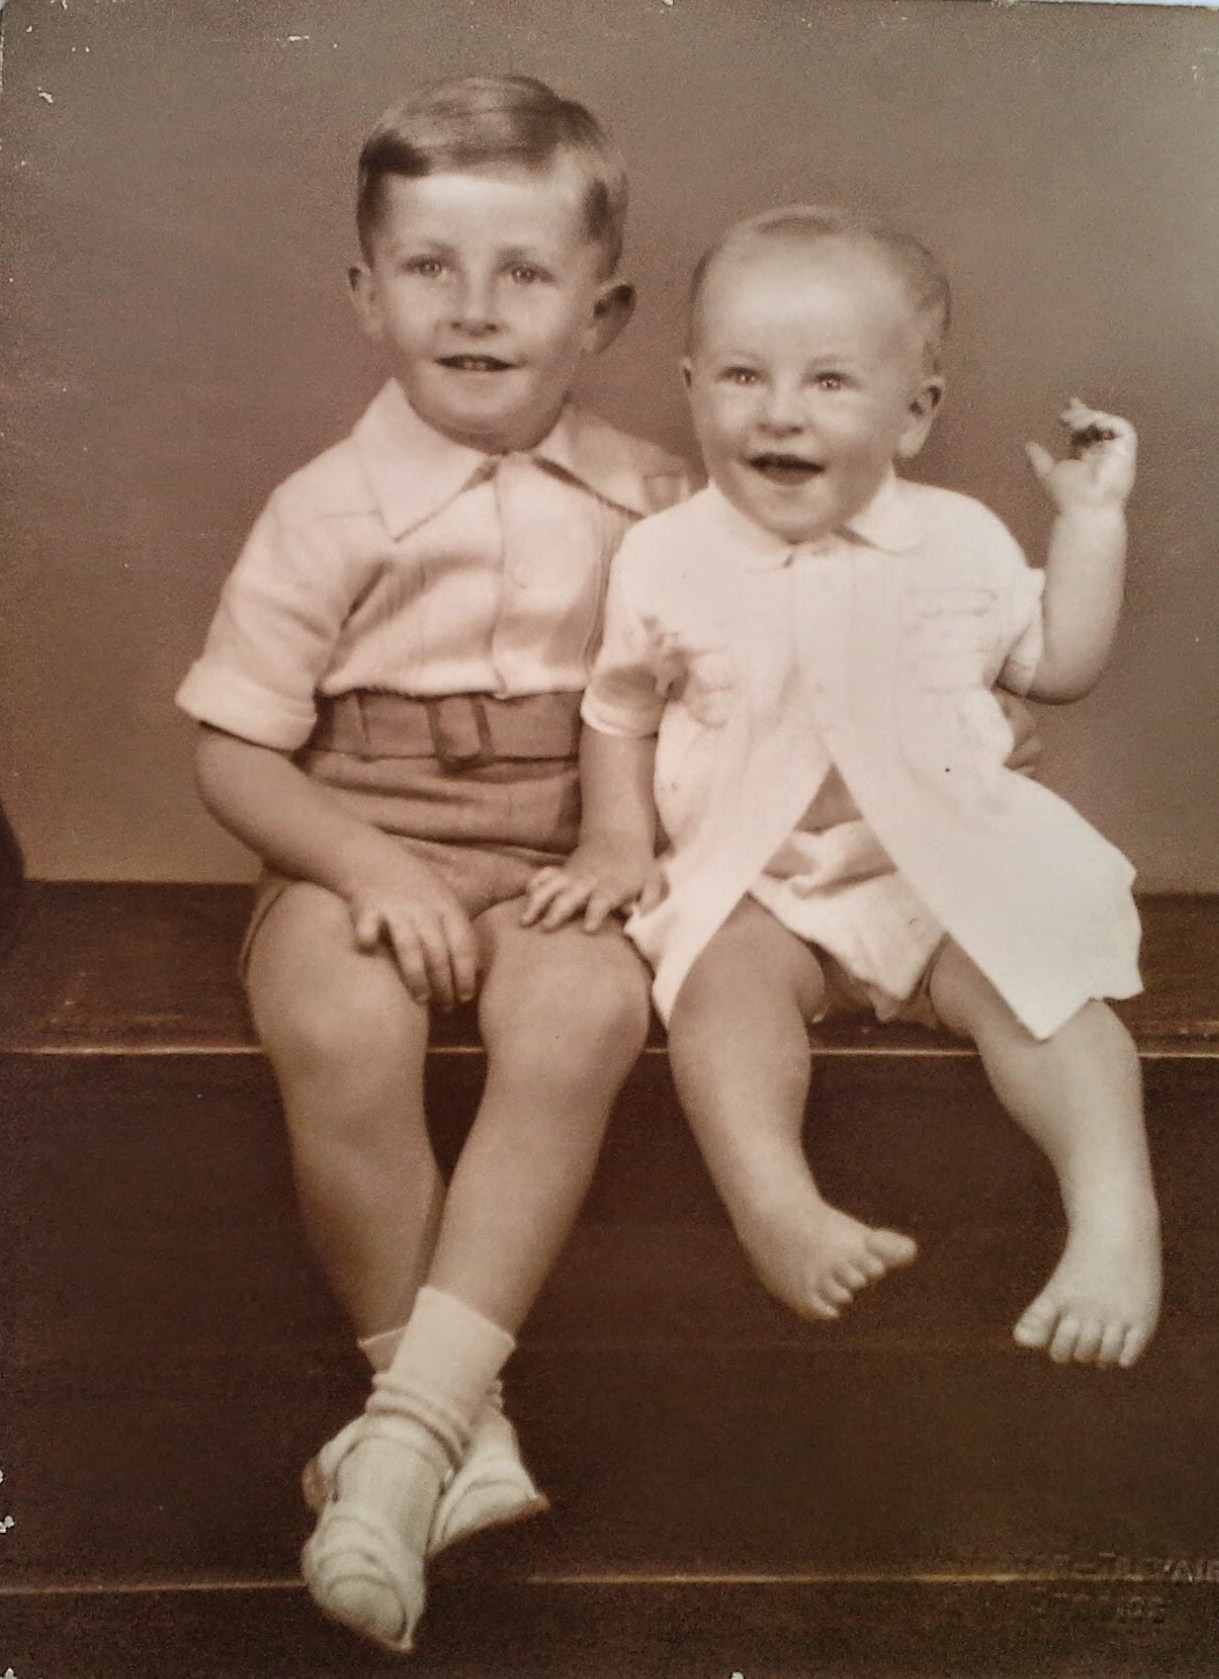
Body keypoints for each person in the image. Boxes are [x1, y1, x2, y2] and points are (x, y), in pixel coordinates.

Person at [176, 74, 692, 1653]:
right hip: (361, 828)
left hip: (574, 845)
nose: (474, 308)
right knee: (340, 1017)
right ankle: (450, 1421)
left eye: (525, 272)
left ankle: (402, 1439)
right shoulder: (324, 508)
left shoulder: (659, 499)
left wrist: (626, 836)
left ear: (601, 312)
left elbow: (756, 669)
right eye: (429, 267)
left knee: (586, 1012)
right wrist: (363, 865)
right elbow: (234, 751)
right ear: (366, 292)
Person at [526, 206, 1161, 1377]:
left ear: (914, 411)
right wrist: (615, 838)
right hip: (761, 883)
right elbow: (617, 708)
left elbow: (1059, 665)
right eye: (743, 376)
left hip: (944, 872)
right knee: (720, 999)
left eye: (828, 380)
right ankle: (778, 1205)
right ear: (693, 389)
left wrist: (1091, 524)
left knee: (1050, 1000)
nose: (780, 411)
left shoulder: (961, 541)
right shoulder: (666, 555)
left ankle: (1115, 1215)